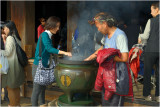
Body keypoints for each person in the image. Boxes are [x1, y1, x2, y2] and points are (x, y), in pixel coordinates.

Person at [85, 12, 133, 106]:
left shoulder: (120, 36)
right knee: (106, 101)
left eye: (98, 27)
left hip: (117, 75)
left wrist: (109, 58)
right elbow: (102, 48)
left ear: (105, 24)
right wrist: (89, 58)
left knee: (115, 102)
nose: (98, 29)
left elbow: (124, 58)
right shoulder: (106, 35)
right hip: (107, 75)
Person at [31, 16, 72, 106]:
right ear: (51, 26)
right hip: (38, 66)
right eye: (57, 26)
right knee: (36, 90)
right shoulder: (44, 35)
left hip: (43, 66)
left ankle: (42, 104)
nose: (58, 29)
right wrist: (65, 53)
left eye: (58, 26)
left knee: (42, 89)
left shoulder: (49, 35)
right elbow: (49, 49)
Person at [138, 2, 159, 102]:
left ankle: (147, 95)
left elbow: (145, 36)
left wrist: (140, 36)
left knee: (147, 73)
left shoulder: (151, 21)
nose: (151, 13)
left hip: (151, 50)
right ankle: (159, 96)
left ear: (157, 9)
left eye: (152, 10)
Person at [0, 20, 25, 106]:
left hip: (11, 66)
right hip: (17, 65)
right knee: (16, 87)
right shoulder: (16, 37)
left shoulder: (10, 38)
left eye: (5, 28)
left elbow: (7, 52)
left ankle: (13, 105)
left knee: (10, 88)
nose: (4, 30)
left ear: (9, 28)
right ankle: (17, 104)